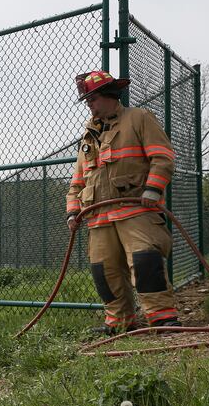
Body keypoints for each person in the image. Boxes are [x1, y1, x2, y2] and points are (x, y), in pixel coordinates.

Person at [65, 71, 181, 335]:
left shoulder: (139, 119)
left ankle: (162, 318)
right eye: (87, 100)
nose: (89, 104)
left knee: (145, 262)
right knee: (104, 272)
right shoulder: (88, 137)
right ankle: (119, 322)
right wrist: (72, 212)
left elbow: (162, 157)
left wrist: (153, 189)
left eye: (92, 98)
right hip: (98, 219)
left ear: (110, 95)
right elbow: (77, 181)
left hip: (136, 212)